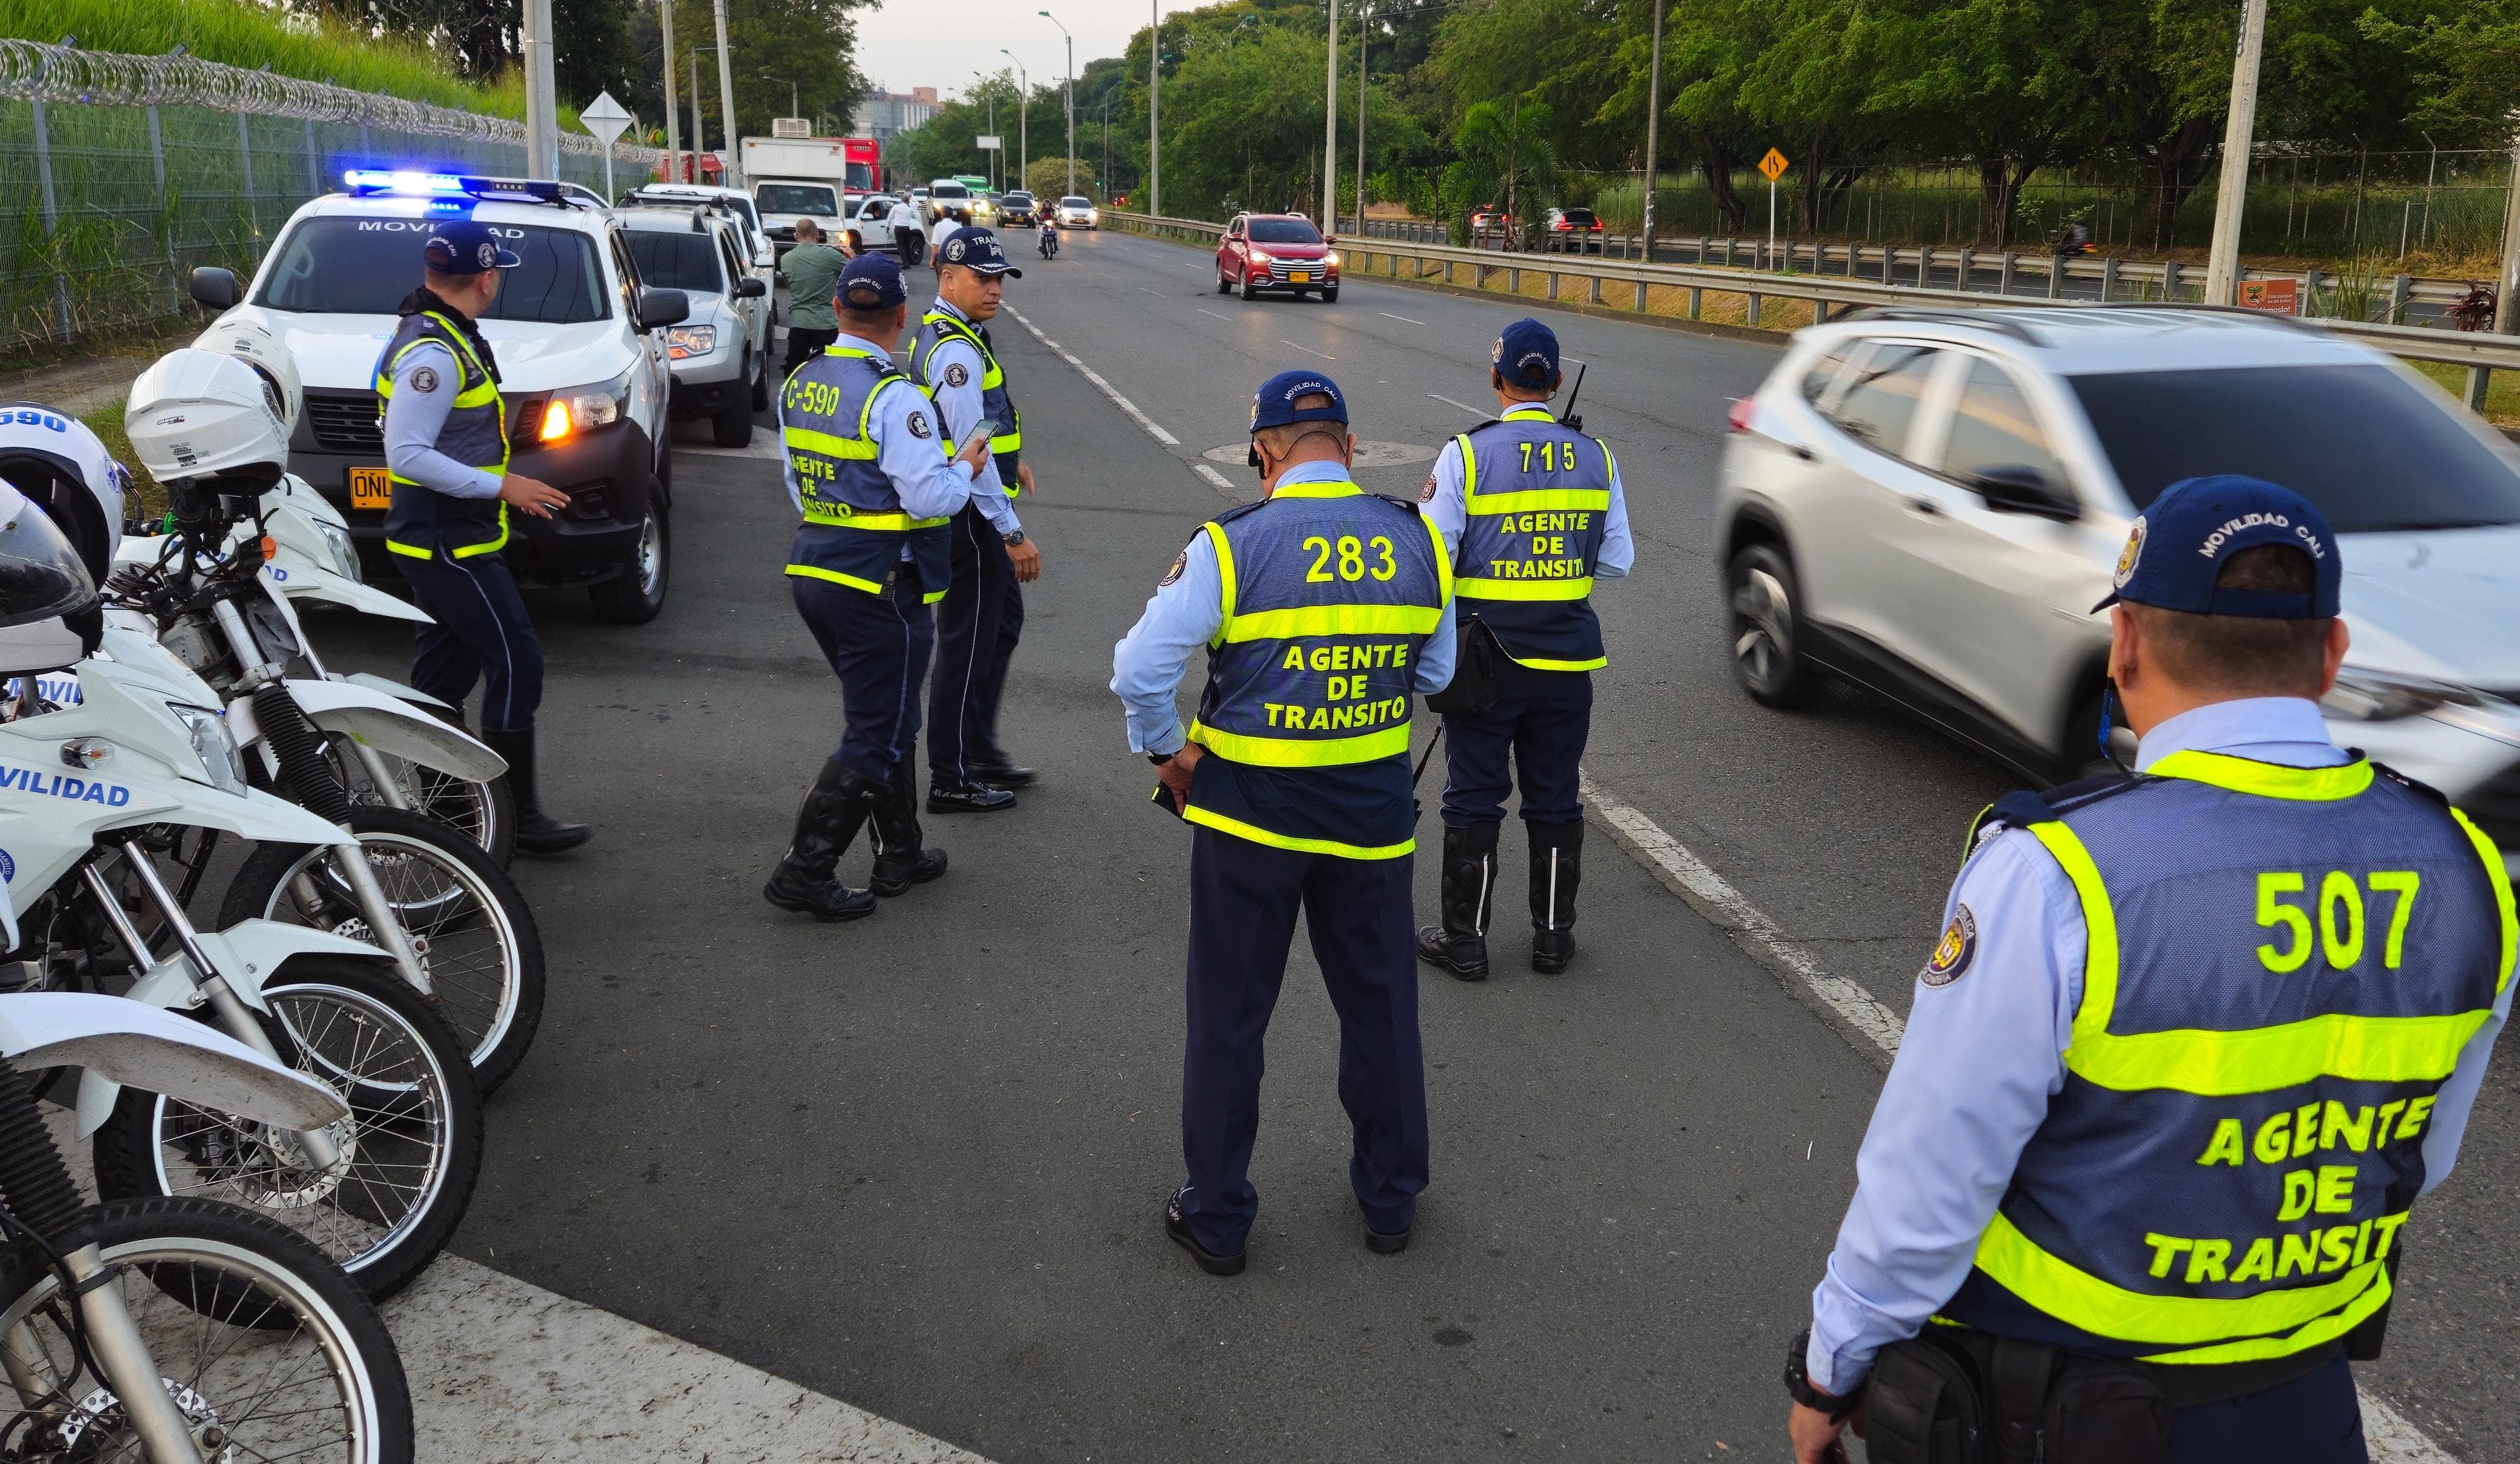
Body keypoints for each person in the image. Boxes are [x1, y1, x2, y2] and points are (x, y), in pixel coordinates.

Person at [1784, 476, 2516, 1464]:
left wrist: (1831, 1369)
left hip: (2062, 1411)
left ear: (2124, 642)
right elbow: (2420, 1156)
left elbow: (1932, 1178)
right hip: (2304, 1406)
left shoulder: (2058, 872)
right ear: (2334, 651)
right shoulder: (2464, 867)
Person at [1110, 371, 1458, 1276]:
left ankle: (1217, 1216)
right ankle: (1390, 1201)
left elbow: (1139, 669)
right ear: (1349, 445)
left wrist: (1165, 752)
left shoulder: (1233, 545)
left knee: (1229, 1018)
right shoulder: (1418, 537)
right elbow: (1436, 674)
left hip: (1250, 825)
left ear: (1262, 451)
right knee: (1381, 1009)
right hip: (1371, 820)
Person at [763, 253, 994, 922]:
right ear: (900, 315)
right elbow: (930, 499)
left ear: (836, 309)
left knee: (889, 716)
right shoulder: (894, 396)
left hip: (816, 568)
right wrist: (963, 465)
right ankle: (805, 870)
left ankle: (902, 850)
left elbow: (796, 480)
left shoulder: (801, 381)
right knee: (876, 729)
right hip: (880, 583)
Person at [1414, 318, 1633, 981]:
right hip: (1567, 662)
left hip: (1483, 659)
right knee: (1556, 796)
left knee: (1473, 796)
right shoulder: (1596, 457)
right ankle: (1553, 939)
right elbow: (1617, 561)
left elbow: (1431, 556)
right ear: (1556, 381)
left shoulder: (1467, 454)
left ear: (1496, 377)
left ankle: (1466, 942)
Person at [374, 220, 589, 854]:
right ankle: (514, 820)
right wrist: (504, 486)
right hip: (446, 540)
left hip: (449, 535)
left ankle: (449, 822)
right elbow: (406, 455)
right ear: (488, 278)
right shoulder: (435, 354)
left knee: (442, 678)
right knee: (516, 661)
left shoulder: (439, 331)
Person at [909, 228, 1041, 812]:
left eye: (999, 279)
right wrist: (1011, 531)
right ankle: (951, 775)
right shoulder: (956, 350)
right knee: (966, 641)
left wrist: (1012, 462)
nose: (995, 289)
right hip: (970, 514)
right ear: (948, 278)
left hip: (975, 500)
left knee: (1001, 623)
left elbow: (975, 428)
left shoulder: (961, 334)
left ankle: (977, 747)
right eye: (983, 279)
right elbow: (967, 443)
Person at [777, 217, 849, 382]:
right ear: (818, 235)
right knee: (828, 371)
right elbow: (852, 272)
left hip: (799, 322)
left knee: (795, 371)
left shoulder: (786, 259)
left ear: (796, 236)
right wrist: (852, 256)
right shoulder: (830, 256)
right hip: (826, 322)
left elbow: (790, 285)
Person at [887, 196, 925, 268]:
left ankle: (905, 263)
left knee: (900, 246)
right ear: (908, 202)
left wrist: (888, 225)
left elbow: (890, 217)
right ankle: (908, 261)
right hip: (907, 228)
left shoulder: (896, 207)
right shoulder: (909, 209)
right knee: (907, 245)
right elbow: (914, 216)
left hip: (898, 228)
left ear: (902, 200)